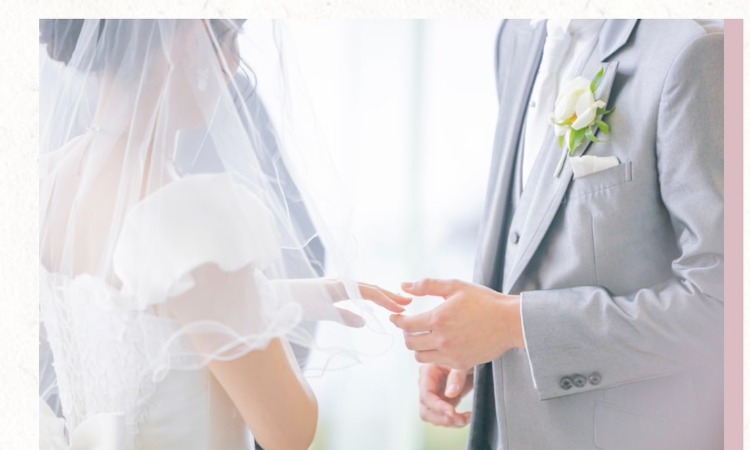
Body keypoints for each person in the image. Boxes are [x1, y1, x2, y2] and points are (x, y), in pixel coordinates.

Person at [39, 19, 409, 450]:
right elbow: (289, 430)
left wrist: (285, 295)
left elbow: (145, 318)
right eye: (232, 39)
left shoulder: (48, 183)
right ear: (185, 38)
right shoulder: (187, 216)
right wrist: (264, 313)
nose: (235, 65)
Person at [391, 19, 724, 449]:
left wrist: (512, 324)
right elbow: (529, 232)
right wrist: (474, 337)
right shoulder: (516, 34)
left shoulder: (692, 48)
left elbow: (722, 306)